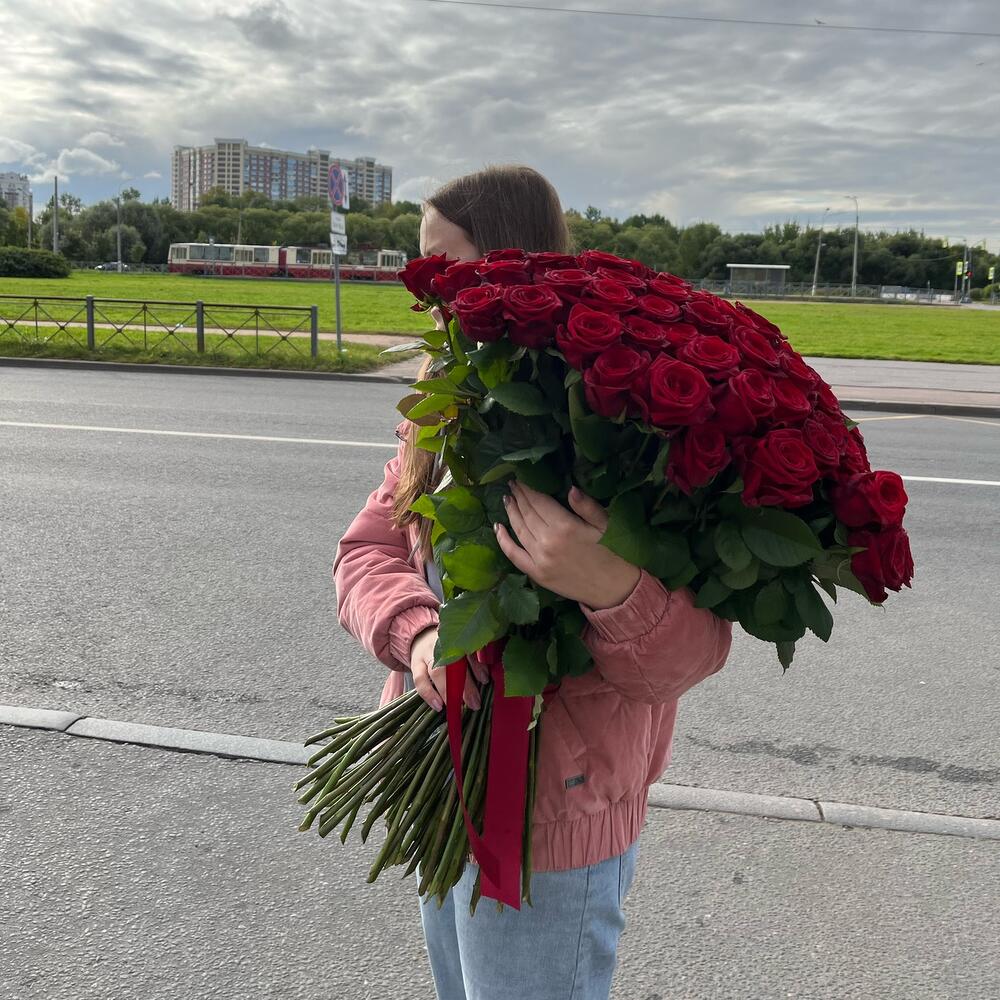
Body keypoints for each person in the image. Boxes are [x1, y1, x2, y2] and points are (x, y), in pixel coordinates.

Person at [333, 164, 734, 1000]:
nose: (425, 293)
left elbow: (689, 656)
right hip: (444, 774)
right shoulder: (444, 401)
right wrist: (420, 636)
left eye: (444, 266)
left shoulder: (619, 419)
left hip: (555, 822)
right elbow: (367, 551)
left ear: (510, 263)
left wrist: (609, 585)